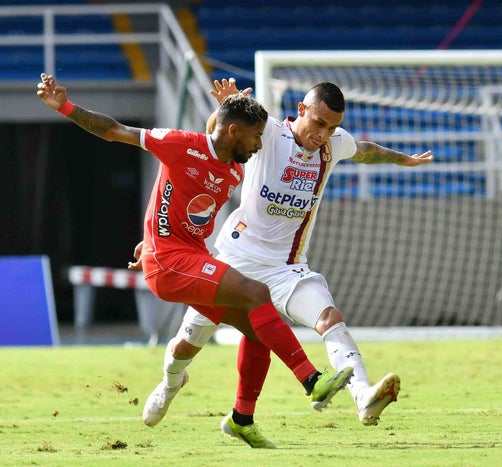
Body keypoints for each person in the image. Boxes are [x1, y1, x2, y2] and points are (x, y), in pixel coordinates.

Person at [36, 73, 353, 449]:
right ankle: (312, 381)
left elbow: (182, 205)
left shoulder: (234, 170)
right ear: (234, 132)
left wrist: (149, 235)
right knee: (257, 294)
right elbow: (113, 130)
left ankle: (238, 417)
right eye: (255, 137)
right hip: (168, 263)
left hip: (193, 258)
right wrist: (65, 107)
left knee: (257, 330)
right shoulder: (178, 144)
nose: (259, 145)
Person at [135, 78, 433, 446]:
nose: (324, 134)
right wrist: (223, 109)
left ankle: (363, 396)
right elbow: (218, 139)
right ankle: (170, 383)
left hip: (286, 269)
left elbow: (366, 151)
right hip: (236, 260)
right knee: (187, 345)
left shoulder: (334, 144)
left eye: (332, 128)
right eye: (319, 123)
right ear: (301, 110)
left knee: (330, 318)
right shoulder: (268, 134)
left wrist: (403, 159)